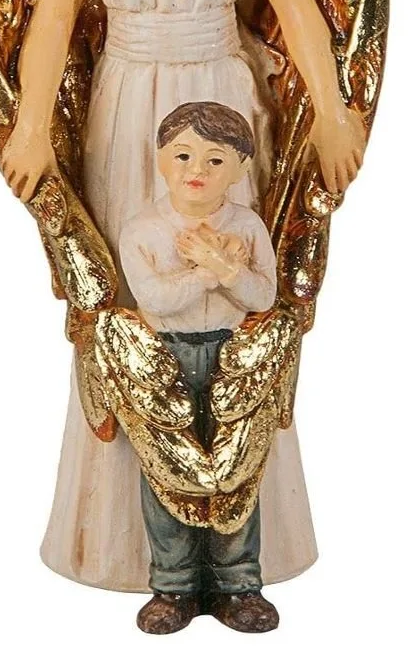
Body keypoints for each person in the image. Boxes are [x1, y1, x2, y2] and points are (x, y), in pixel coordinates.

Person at [0, 0, 366, 600]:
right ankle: (133, 545)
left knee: (232, 279)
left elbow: (296, 7)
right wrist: (30, 125)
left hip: (224, 91)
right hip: (129, 107)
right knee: (134, 294)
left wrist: (332, 111)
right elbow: (52, 20)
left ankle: (240, 547)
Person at [119, 102, 279, 633]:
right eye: (183, 155)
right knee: (169, 469)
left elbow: (263, 296)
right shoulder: (143, 229)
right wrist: (212, 271)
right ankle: (174, 584)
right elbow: (156, 299)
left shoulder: (247, 225)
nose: (197, 170)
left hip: (234, 356)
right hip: (166, 356)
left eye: (216, 160)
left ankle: (239, 583)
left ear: (240, 168)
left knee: (237, 467)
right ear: (160, 159)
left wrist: (226, 266)